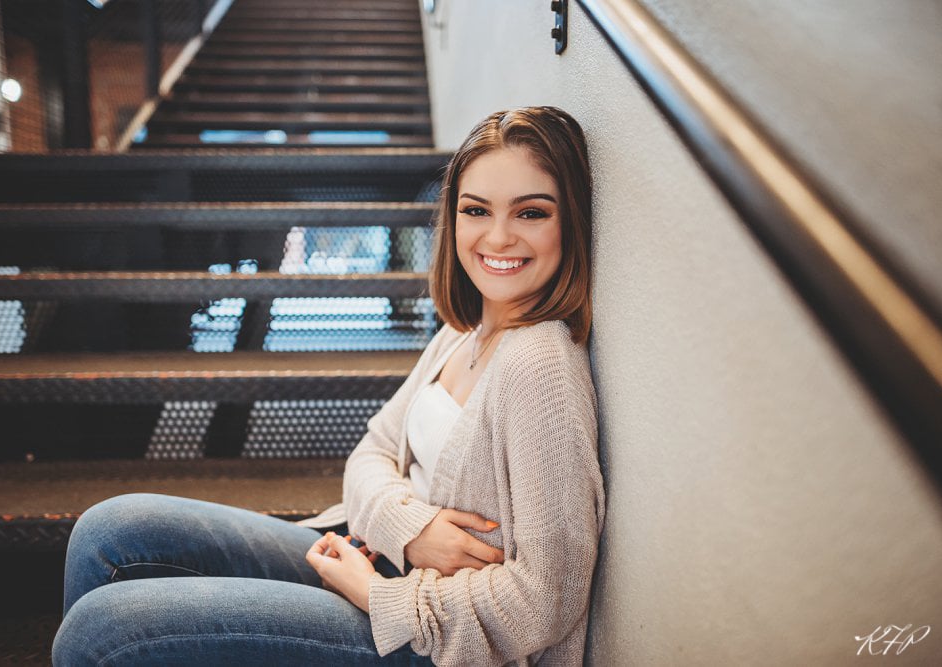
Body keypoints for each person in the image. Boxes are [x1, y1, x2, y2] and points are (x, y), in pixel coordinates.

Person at [53, 106, 605, 666]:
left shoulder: (540, 367)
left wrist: (377, 592)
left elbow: (545, 599)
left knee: (101, 634)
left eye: (531, 212)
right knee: (110, 532)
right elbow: (372, 450)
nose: (498, 236)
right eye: (476, 210)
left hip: (433, 636)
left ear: (571, 222)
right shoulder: (464, 331)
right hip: (382, 556)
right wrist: (408, 530)